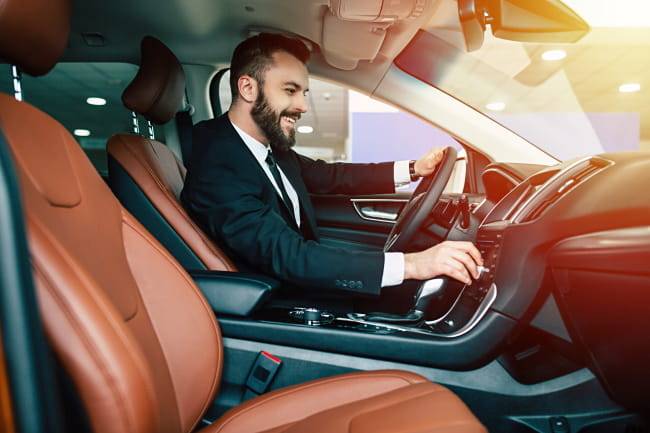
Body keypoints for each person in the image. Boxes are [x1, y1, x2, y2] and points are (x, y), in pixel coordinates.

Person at [181, 33, 483, 295]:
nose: (302, 106)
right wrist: (415, 263)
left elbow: (329, 176)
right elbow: (289, 257)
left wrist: (413, 169)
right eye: (290, 90)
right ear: (248, 89)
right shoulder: (217, 165)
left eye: (304, 93)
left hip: (305, 283)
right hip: (278, 305)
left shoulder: (269, 147)